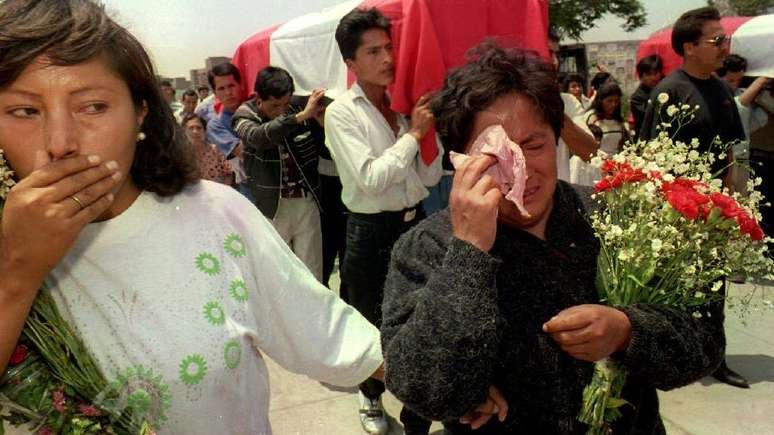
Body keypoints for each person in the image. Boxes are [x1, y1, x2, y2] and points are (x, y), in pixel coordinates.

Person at [0, 2, 384, 434]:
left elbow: (326, 332)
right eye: (25, 111)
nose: (60, 143)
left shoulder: (214, 215)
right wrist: (17, 271)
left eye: (92, 106)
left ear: (140, 111)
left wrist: (454, 384)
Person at [381, 41, 724, 435]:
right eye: (497, 157)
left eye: (533, 145)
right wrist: (468, 251)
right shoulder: (428, 247)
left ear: (557, 139)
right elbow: (424, 389)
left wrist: (628, 330)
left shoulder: (617, 219)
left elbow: (705, 342)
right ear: (459, 160)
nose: (521, 172)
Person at [325, 7, 441, 435]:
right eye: (373, 52)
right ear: (351, 63)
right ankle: (371, 398)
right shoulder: (343, 113)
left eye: (389, 48)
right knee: (372, 326)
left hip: (416, 225)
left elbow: (426, 178)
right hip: (371, 232)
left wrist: (429, 135)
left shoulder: (403, 106)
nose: (388, 59)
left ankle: (419, 414)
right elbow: (371, 180)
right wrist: (413, 137)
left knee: (425, 319)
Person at [639, 6, 748, 388]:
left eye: (725, 40)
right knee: (673, 288)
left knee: (714, 289)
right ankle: (670, 359)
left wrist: (734, 205)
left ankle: (715, 358)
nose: (724, 47)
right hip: (677, 214)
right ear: (689, 46)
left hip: (714, 212)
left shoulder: (721, 90)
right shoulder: (670, 92)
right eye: (716, 40)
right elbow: (651, 158)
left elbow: (733, 151)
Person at [232, 66, 326, 281]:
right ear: (258, 99)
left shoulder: (296, 106)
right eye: (275, 106)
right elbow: (259, 137)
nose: (281, 110)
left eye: (285, 104)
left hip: (305, 198)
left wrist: (317, 120)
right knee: (278, 272)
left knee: (312, 269)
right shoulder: (244, 115)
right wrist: (299, 117)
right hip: (273, 205)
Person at [546, 29, 600, 183]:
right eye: (548, 53)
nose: (555, 62)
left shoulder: (567, 103)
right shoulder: (506, 104)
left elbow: (590, 152)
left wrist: (554, 107)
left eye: (556, 55)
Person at [203, 62, 251, 202]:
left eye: (231, 86)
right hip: (250, 190)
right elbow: (244, 153)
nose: (228, 93)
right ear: (215, 93)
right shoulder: (216, 125)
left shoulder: (256, 108)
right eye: (221, 88)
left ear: (240, 85)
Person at [182, 114, 234, 186]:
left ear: (205, 131)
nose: (195, 131)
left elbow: (228, 173)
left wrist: (223, 192)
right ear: (184, 131)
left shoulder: (216, 150)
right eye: (191, 128)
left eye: (199, 128)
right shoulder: (180, 154)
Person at [630, 54, 664, 137]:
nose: (653, 77)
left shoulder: (668, 88)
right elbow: (649, 117)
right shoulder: (637, 98)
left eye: (656, 73)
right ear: (641, 77)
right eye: (648, 74)